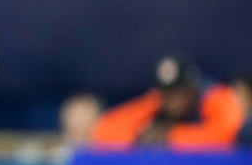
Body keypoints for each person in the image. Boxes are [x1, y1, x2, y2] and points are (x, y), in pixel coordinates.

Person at [91, 54, 245, 149]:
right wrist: (138, 136)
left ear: (193, 90)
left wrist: (171, 137)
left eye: (180, 93)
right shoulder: (158, 101)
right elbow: (104, 130)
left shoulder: (216, 96)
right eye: (167, 94)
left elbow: (228, 135)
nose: (174, 102)